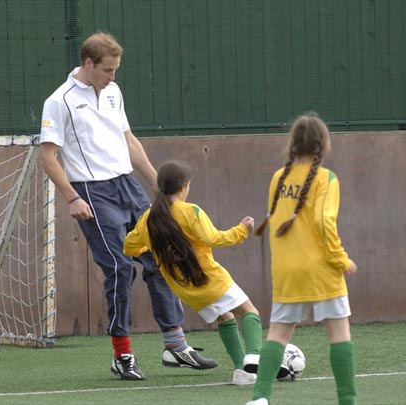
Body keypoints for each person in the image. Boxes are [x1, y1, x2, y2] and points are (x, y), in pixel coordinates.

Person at [40, 32, 217, 380]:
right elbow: (48, 157)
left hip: (128, 186)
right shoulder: (58, 101)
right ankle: (122, 355)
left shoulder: (113, 92)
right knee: (120, 269)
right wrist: (71, 197)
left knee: (163, 255)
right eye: (107, 70)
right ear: (88, 64)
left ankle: (175, 346)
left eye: (116, 70)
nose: (113, 77)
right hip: (91, 192)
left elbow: (129, 141)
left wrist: (162, 190)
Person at [247, 113, 358, 405]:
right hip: (321, 269)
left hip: (287, 271)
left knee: (278, 335)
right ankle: (348, 401)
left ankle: (260, 398)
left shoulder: (277, 178)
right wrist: (341, 259)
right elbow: (324, 222)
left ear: (292, 144)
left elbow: (274, 224)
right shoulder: (327, 178)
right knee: (339, 333)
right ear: (323, 144)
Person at [124, 160, 263, 385]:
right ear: (182, 187)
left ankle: (242, 372)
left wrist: (150, 248)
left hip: (185, 289)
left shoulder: (148, 219)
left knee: (225, 317)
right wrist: (242, 230)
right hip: (209, 278)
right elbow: (215, 239)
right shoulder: (190, 211)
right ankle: (255, 356)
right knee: (250, 312)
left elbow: (128, 247)